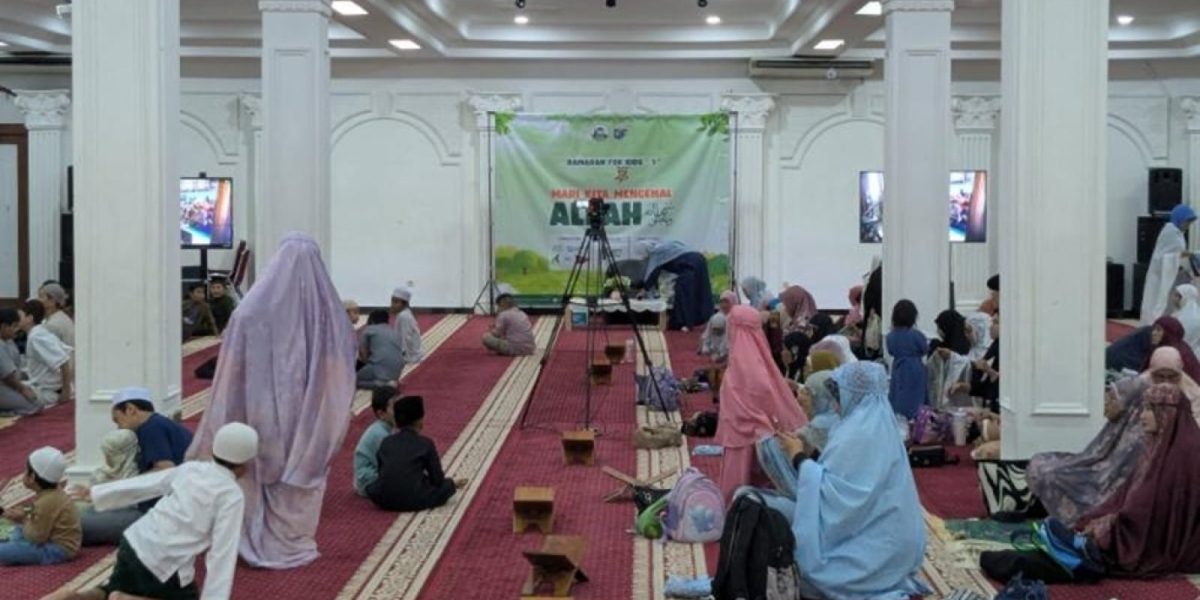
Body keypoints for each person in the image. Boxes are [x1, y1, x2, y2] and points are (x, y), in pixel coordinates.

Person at [188, 232, 356, 570]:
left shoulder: (251, 311)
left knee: (255, 464)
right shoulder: (327, 313)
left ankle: (248, 534)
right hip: (306, 410)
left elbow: (232, 369)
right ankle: (288, 539)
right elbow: (340, 366)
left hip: (257, 406)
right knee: (297, 464)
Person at [757, 362, 929, 599]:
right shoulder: (882, 424)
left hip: (871, 558)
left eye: (839, 396)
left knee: (772, 523)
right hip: (896, 549)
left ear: (852, 396)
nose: (834, 405)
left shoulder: (855, 433)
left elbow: (836, 500)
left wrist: (796, 455)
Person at [58, 423, 259, 600]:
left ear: (214, 450)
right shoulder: (231, 495)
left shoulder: (192, 469)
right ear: (246, 464)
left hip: (134, 541)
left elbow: (148, 483)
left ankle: (71, 598)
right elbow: (222, 554)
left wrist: (97, 493)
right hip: (164, 562)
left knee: (109, 589)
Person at [1027, 347, 1194, 526]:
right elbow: (1111, 409)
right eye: (1160, 376)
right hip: (1108, 468)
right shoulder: (1140, 390)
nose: (1165, 383)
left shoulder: (1189, 401)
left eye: (1172, 377)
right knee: (1048, 471)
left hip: (1142, 489)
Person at [1076, 383, 1200, 577]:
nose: (1142, 416)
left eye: (1149, 409)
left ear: (1166, 413)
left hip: (1159, 536)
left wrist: (1111, 524)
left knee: (1100, 544)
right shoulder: (1158, 445)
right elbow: (1130, 495)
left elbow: (1157, 509)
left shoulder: (1186, 452)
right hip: (1145, 524)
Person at [715, 305, 807, 501]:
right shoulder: (760, 359)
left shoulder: (743, 364)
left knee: (739, 484)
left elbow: (760, 392)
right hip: (761, 437)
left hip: (746, 439)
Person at [367, 396, 467, 512]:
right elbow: (437, 479)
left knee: (372, 487)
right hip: (414, 499)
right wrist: (450, 484)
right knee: (447, 486)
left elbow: (382, 473)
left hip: (385, 500)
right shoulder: (426, 444)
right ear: (419, 421)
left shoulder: (386, 442)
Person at [0, 447, 80, 566]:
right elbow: (38, 512)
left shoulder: (47, 501)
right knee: (16, 531)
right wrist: (25, 512)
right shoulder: (53, 493)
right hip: (50, 539)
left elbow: (36, 537)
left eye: (26, 471)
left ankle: (13, 545)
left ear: (32, 478)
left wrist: (23, 520)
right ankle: (13, 544)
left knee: (3, 550)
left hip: (55, 550)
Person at [76, 429, 144, 546]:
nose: (106, 458)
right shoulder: (104, 473)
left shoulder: (137, 477)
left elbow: (127, 504)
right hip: (105, 511)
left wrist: (100, 497)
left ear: (120, 455)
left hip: (127, 516)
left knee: (77, 524)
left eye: (110, 454)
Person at [640, 240, 715, 330]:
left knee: (683, 292)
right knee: (700, 291)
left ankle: (686, 324)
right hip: (700, 259)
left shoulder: (656, 253)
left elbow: (652, 273)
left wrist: (644, 290)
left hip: (690, 265)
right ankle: (702, 319)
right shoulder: (669, 246)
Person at [1141, 204, 1197, 325]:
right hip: (1160, 275)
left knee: (1167, 303)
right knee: (1156, 301)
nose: (1188, 225)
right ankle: (1152, 326)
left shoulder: (1178, 233)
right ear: (1180, 218)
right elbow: (1163, 256)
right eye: (1187, 221)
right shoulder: (1170, 231)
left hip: (1171, 274)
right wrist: (1181, 254)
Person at [18, 299, 72, 408]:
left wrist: (66, 392)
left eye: (20, 316)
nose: (17, 319)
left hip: (47, 392)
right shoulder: (38, 333)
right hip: (44, 388)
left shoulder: (37, 336)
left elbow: (63, 361)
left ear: (30, 318)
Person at [886, 299, 928, 419]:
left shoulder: (890, 336)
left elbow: (890, 351)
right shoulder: (917, 335)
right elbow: (924, 349)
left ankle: (899, 418)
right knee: (917, 396)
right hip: (916, 368)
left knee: (898, 394)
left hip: (898, 367)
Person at [354, 388, 399, 497]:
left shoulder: (386, 429)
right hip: (369, 480)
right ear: (381, 413)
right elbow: (394, 464)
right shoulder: (379, 434)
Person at [0, 308, 41, 415]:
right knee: (35, 405)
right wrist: (23, 390)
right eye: (14, 326)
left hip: (8, 384)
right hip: (4, 386)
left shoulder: (8, 341)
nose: (17, 330)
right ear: (3, 326)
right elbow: (8, 377)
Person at [357, 310, 407, 389]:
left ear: (371, 321)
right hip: (397, 371)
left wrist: (365, 363)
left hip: (377, 367)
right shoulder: (394, 331)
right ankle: (389, 381)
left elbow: (363, 352)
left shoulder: (369, 329)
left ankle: (382, 384)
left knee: (351, 379)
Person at [1145, 316, 1200, 381]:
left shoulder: (1173, 354)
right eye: (1153, 329)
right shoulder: (1162, 348)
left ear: (1168, 333)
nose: (1153, 333)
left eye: (1158, 330)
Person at [970, 312, 1002, 413]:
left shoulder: (1003, 347)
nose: (990, 327)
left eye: (995, 322)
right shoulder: (995, 344)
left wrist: (989, 371)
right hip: (989, 398)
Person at [390, 286, 425, 365]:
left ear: (404, 304)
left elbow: (406, 338)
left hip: (411, 357)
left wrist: (403, 357)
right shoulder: (403, 314)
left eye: (396, 302)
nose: (392, 305)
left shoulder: (404, 316)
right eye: (392, 301)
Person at [37, 282, 74, 347]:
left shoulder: (53, 325)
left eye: (41, 297)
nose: (38, 300)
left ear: (52, 301)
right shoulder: (59, 317)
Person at [1170, 283, 1200, 356]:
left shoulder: (1189, 318)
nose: (1173, 298)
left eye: (1176, 296)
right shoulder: (1179, 313)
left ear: (1184, 298)